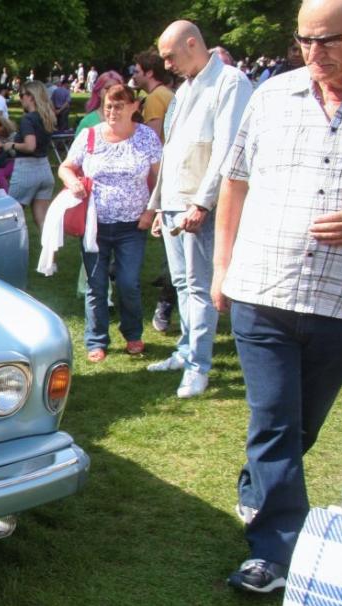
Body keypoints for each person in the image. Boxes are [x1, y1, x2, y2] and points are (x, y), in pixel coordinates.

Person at [212, 0, 342, 593]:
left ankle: (256, 485)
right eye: (305, 40)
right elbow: (235, 182)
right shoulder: (271, 97)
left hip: (336, 304)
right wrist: (221, 268)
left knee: (300, 427)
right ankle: (274, 552)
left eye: (329, 40)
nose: (314, 53)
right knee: (273, 421)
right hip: (262, 289)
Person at [145, 20, 252, 398]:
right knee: (181, 284)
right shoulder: (186, 87)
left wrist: (202, 203)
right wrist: (159, 205)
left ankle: (198, 368)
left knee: (199, 288)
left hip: (200, 206)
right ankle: (185, 351)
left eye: (170, 56)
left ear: (192, 44)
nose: (167, 65)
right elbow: (172, 151)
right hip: (175, 204)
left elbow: (227, 150)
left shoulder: (230, 82)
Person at [59, 85, 162, 361]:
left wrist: (151, 211)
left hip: (133, 225)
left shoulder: (147, 137)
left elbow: (161, 177)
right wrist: (73, 182)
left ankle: (133, 333)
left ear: (134, 107)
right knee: (96, 284)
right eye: (108, 106)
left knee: (129, 282)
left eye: (119, 106)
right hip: (94, 224)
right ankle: (96, 340)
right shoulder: (90, 136)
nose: (112, 112)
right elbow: (65, 167)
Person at [131, 48, 178, 332]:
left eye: (137, 71)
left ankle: (165, 301)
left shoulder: (156, 98)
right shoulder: (167, 94)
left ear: (149, 72)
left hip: (163, 175)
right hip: (172, 174)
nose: (134, 76)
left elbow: (152, 139)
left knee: (166, 241)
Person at [0, 81, 56, 230]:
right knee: (43, 222)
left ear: (31, 97)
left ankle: (13, 245)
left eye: (21, 95)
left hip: (27, 171)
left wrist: (11, 145)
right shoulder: (47, 117)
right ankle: (51, 246)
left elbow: (30, 146)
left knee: (9, 219)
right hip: (45, 170)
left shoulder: (28, 119)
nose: (20, 99)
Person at [75, 70, 124, 134]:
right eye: (107, 88)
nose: (112, 92)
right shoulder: (87, 122)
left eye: (116, 88)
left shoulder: (128, 120)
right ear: (99, 92)